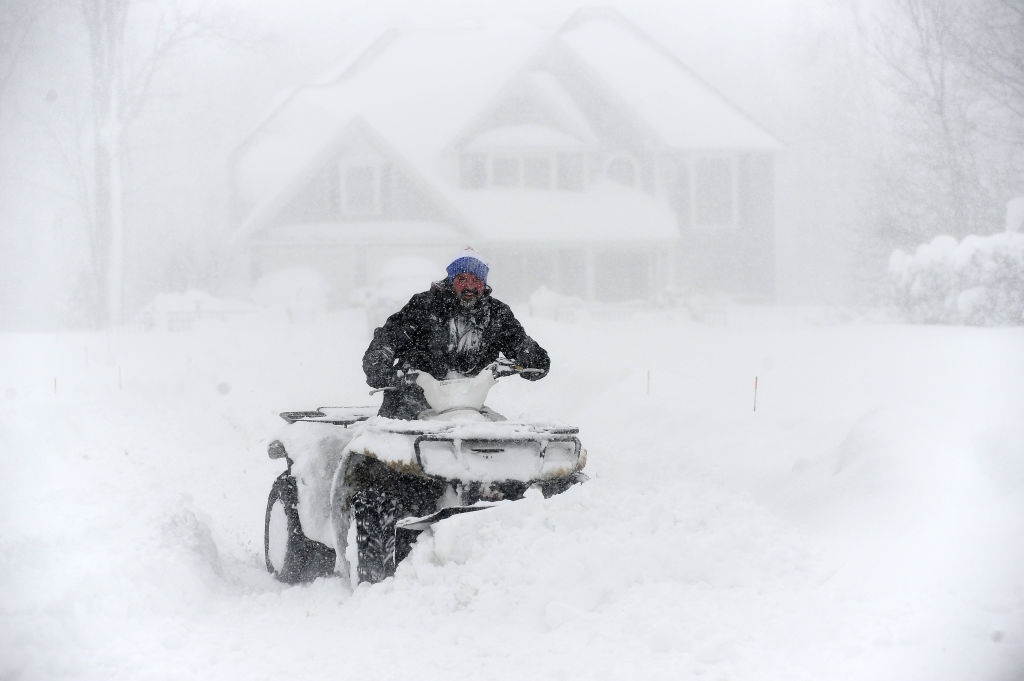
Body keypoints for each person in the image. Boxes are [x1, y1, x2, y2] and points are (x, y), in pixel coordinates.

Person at [363, 247, 550, 419]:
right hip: (410, 403)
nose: (470, 286)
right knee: (395, 448)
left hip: (467, 405)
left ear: (484, 284)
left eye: (476, 280)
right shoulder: (424, 306)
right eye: (462, 279)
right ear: (451, 281)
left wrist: (532, 358)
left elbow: (518, 342)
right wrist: (379, 363)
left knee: (498, 440)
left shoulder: (496, 314)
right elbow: (389, 338)